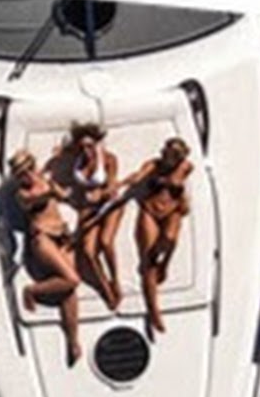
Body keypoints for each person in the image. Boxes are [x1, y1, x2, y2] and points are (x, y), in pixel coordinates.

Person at [9, 148, 82, 365]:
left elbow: (63, 196)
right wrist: (51, 191)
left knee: (68, 293)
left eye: (30, 168)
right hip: (42, 240)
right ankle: (33, 291)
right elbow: (34, 201)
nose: (28, 175)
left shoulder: (45, 181)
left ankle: (73, 341)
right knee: (72, 280)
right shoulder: (22, 194)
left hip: (61, 236)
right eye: (22, 173)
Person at [122, 137, 193, 334]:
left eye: (173, 155)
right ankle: (153, 310)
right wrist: (122, 184)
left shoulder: (186, 167)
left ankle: (165, 264)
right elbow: (139, 175)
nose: (167, 156)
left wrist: (183, 198)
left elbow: (184, 186)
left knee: (170, 239)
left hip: (172, 210)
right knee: (148, 262)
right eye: (166, 152)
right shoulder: (153, 165)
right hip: (151, 210)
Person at [49, 122, 124, 309]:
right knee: (88, 252)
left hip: (110, 206)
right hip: (90, 209)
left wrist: (102, 193)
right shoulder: (77, 160)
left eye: (90, 146)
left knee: (106, 242)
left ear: (97, 144)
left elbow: (112, 188)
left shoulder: (108, 159)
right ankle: (105, 288)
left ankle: (116, 281)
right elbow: (75, 186)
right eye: (82, 147)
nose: (86, 150)